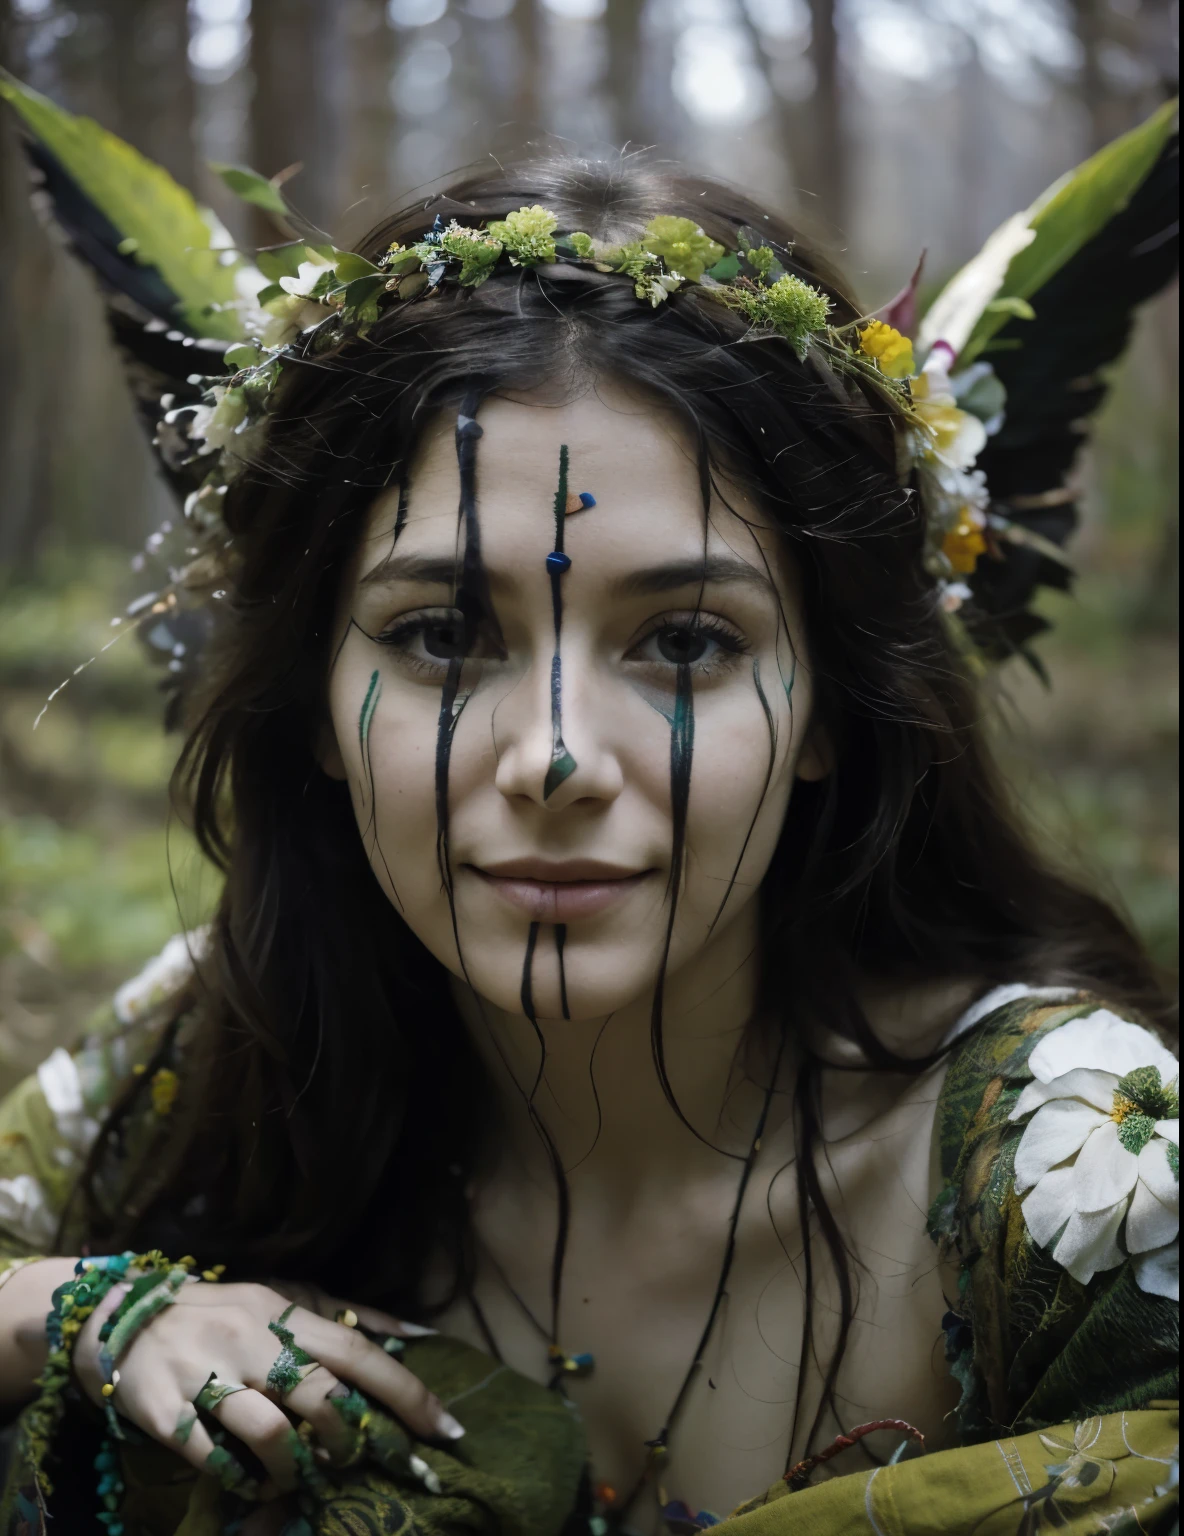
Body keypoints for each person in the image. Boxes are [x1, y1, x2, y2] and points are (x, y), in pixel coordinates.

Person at [0, 78, 1178, 1536]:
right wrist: (66, 1307)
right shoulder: (222, 1047)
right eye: (440, 634)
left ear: (828, 706)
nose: (556, 759)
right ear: (313, 699)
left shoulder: (1069, 1169)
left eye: (687, 643)